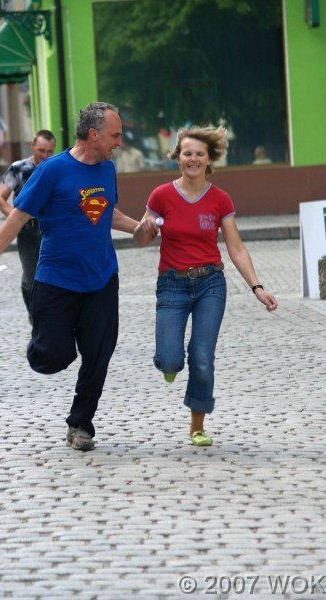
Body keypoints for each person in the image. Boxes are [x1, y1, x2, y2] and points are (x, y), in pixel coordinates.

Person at [0, 102, 139, 451]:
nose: (119, 143)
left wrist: (139, 227)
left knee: (98, 354)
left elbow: (107, 212)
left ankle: (80, 424)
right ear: (94, 135)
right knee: (52, 356)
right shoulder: (52, 171)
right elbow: (18, 216)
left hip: (101, 278)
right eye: (115, 135)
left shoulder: (107, 169)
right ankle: (43, 344)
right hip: (56, 280)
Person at [133, 125, 278, 447]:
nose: (193, 159)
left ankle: (197, 425)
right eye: (187, 153)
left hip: (210, 284)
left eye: (200, 154)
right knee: (170, 360)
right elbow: (141, 239)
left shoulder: (220, 199)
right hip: (172, 284)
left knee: (202, 356)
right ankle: (169, 364)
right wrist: (145, 228)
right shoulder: (161, 195)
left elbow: (236, 248)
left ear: (209, 159)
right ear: (178, 157)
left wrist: (257, 287)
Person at [0, 130, 56, 318]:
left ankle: (47, 320)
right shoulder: (18, 168)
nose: (45, 155)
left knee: (51, 276)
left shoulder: (56, 168)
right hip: (28, 231)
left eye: (49, 151)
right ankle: (36, 318)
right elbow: (0, 200)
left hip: (51, 230)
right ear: (32, 146)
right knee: (31, 278)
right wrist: (16, 218)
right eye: (41, 150)